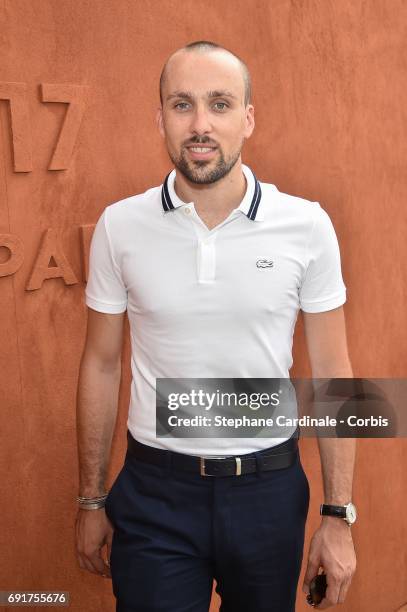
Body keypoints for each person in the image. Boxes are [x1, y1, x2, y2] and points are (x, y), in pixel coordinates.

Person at [75, 40, 357, 611]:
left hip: (268, 492)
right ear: (160, 118)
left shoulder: (305, 225)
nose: (200, 124)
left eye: (220, 104)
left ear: (248, 118)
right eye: (182, 104)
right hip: (154, 494)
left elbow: (334, 371)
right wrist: (91, 499)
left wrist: (338, 515)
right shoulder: (120, 226)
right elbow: (101, 364)